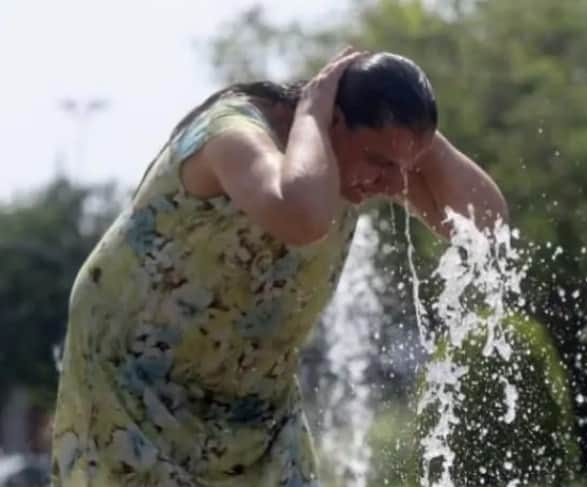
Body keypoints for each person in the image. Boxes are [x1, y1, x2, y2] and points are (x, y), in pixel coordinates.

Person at [50, 48, 507, 487]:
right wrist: (312, 110)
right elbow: (301, 216)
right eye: (379, 161)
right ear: (334, 121)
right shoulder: (232, 135)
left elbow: (485, 223)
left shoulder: (357, 156)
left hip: (252, 401)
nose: (392, 181)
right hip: (133, 384)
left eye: (402, 166)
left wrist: (412, 130)